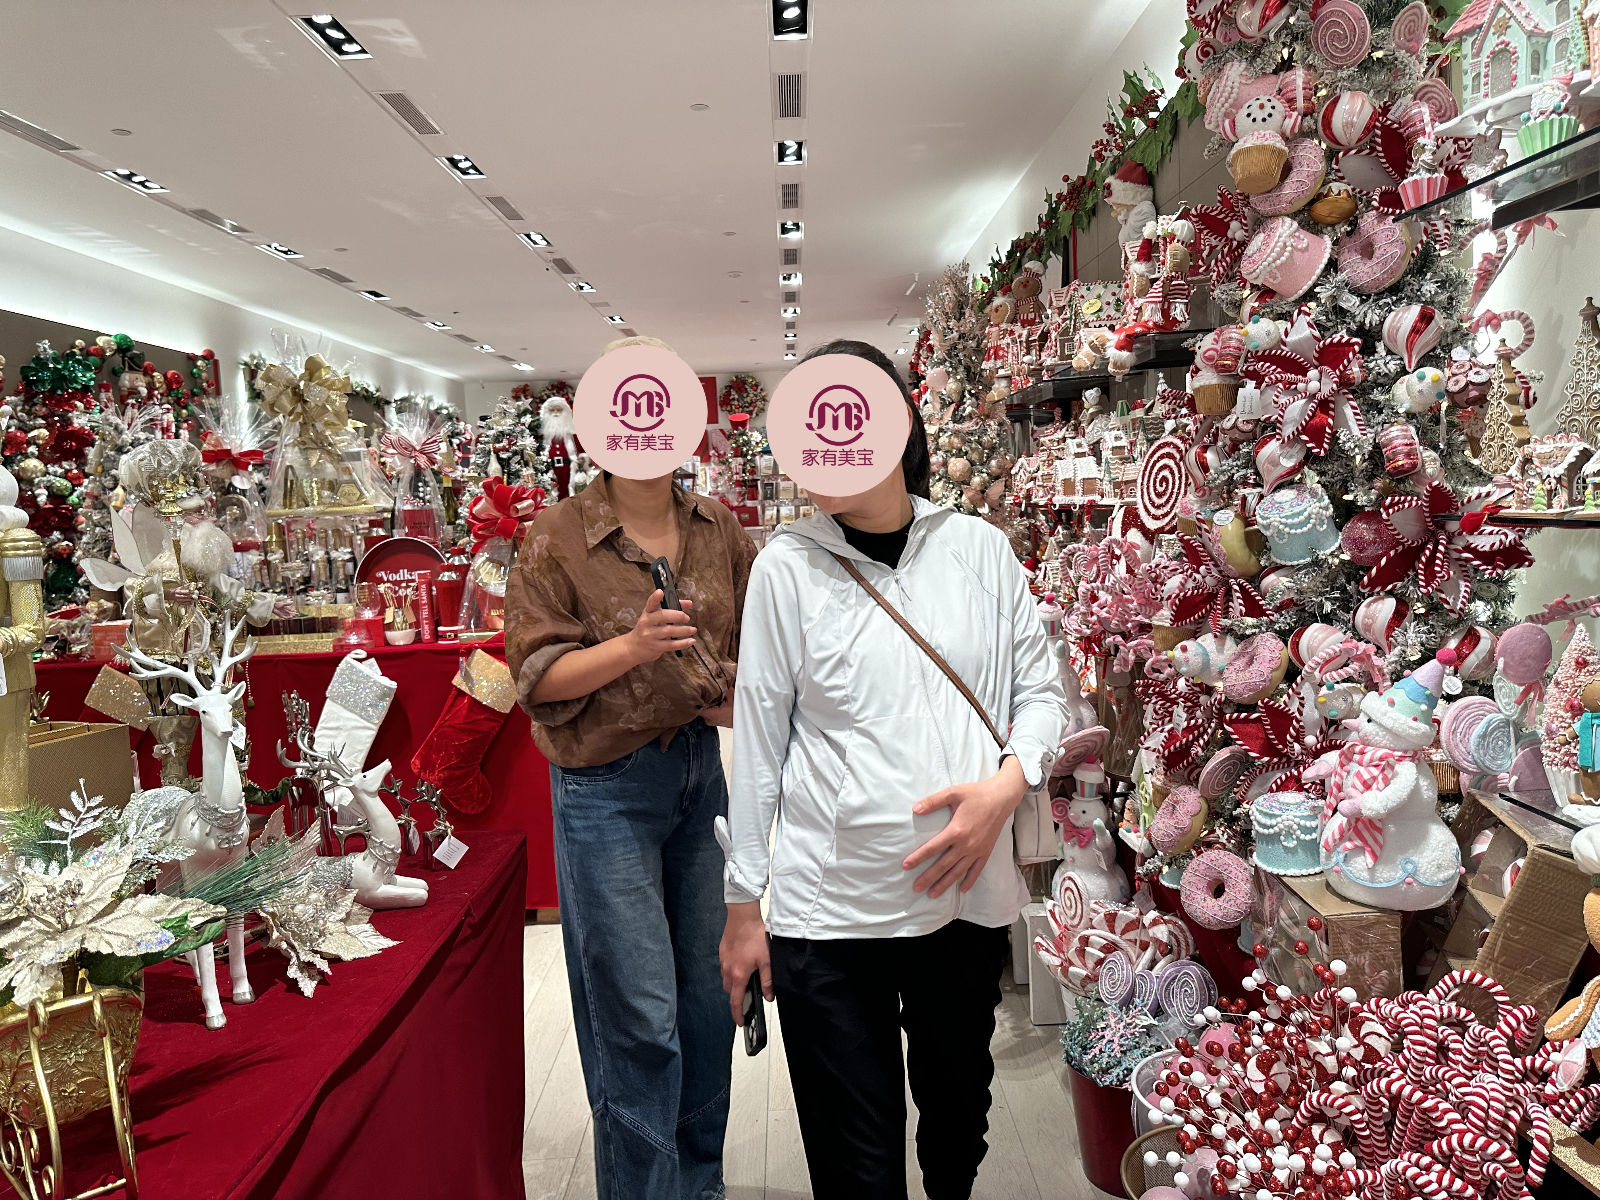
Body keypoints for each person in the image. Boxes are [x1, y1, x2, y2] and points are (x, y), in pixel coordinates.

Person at [719, 339, 1066, 1200]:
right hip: (829, 913)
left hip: (963, 899)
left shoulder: (977, 549)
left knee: (958, 1124)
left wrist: (1006, 787)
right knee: (857, 1166)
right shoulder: (785, 566)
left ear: (901, 420)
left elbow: (1041, 692)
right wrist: (743, 906)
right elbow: (758, 743)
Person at [506, 336, 756, 1200]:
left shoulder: (718, 529)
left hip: (698, 772)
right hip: (604, 790)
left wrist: (739, 698)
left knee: (708, 1000)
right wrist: (633, 646)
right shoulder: (556, 536)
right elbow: (535, 680)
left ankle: (700, 1185)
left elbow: (752, 651)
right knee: (638, 1012)